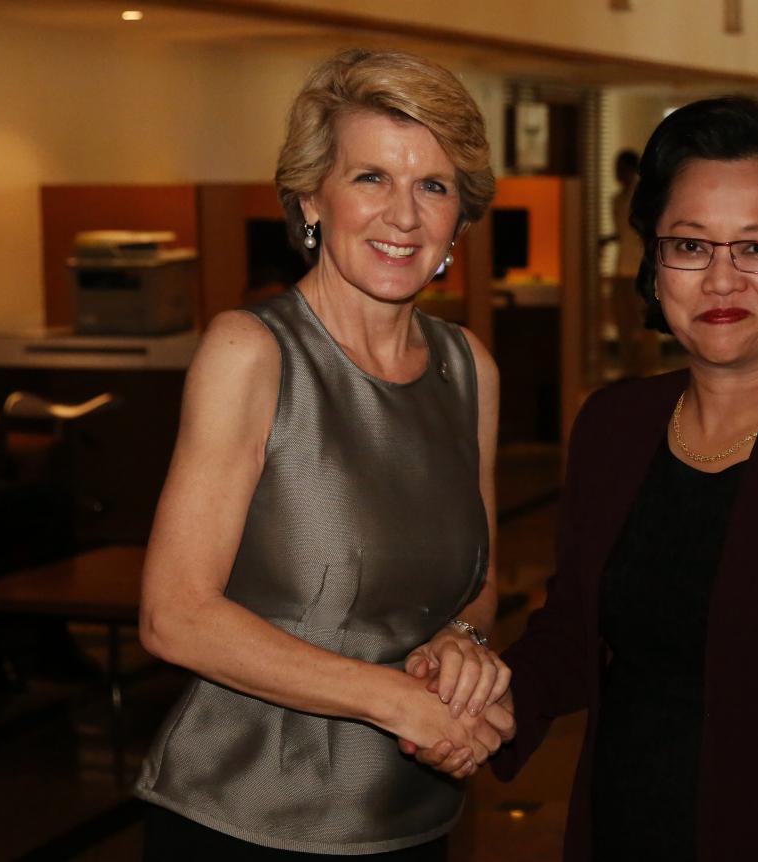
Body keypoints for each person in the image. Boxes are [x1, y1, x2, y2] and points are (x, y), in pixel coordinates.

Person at [412, 96, 758, 859]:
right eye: (691, 246)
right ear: (654, 265)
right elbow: (575, 628)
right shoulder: (613, 426)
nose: (722, 280)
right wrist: (485, 704)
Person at [134, 49, 514, 860]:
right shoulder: (252, 352)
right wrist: (393, 700)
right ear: (312, 198)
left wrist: (463, 645)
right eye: (370, 177)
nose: (404, 217)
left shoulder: (469, 370)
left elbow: (480, 583)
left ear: (461, 220)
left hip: (414, 817)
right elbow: (175, 617)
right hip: (245, 820)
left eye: (433, 186)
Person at [608, 149, 658, 377]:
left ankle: (648, 371)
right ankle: (629, 370)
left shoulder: (643, 198)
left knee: (644, 325)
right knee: (624, 324)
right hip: (622, 268)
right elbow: (623, 233)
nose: (617, 174)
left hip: (640, 268)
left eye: (621, 169)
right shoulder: (617, 200)